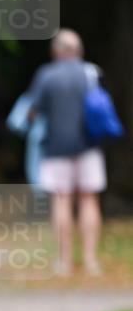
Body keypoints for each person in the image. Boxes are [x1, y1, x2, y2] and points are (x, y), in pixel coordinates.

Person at [28, 29, 107, 276]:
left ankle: (63, 262)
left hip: (55, 148)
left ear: (56, 51)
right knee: (89, 200)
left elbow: (31, 112)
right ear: (79, 50)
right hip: (89, 147)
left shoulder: (46, 75)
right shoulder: (92, 73)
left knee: (61, 200)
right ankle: (91, 261)